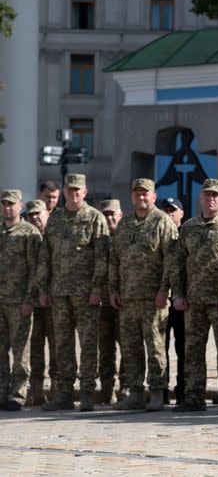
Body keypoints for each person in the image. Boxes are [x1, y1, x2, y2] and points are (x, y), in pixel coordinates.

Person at [172, 179, 218, 414]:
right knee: (192, 351)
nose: (211, 198)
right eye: (207, 195)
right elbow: (178, 264)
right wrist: (178, 294)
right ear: (200, 198)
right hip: (194, 301)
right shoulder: (189, 227)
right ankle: (193, 396)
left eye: (216, 195)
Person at [38, 174, 110, 412]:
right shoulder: (56, 218)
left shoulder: (94, 218)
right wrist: (44, 287)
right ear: (65, 192)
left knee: (88, 342)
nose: (74, 193)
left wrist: (97, 288)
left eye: (78, 190)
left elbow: (102, 258)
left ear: (85, 191)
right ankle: (64, 392)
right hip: (59, 292)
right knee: (62, 343)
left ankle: (87, 391)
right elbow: (46, 256)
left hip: (85, 293)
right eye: (70, 190)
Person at [109, 179, 178, 411]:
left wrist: (164, 291)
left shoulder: (162, 222)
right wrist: (114, 289)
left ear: (154, 196)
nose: (141, 198)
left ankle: (157, 392)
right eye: (137, 194)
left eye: (145, 194)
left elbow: (172, 260)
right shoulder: (125, 223)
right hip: (128, 298)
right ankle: (136, 392)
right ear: (132, 196)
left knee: (156, 346)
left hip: (153, 298)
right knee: (130, 347)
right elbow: (115, 259)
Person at [0, 190, 41, 411]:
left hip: (19, 302)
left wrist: (30, 299)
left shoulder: (29, 233)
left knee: (20, 351)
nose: (7, 208)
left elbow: (36, 270)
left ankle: (17, 394)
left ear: (20, 206)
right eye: (4, 204)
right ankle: (1, 391)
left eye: (11, 204)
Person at [24, 199, 55, 406]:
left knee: (58, 345)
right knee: (34, 345)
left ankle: (57, 389)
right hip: (32, 301)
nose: (34, 218)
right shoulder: (25, 237)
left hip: (55, 300)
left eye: (38, 214)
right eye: (30, 215)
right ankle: (36, 390)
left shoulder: (56, 235)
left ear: (47, 214)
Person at [97, 199, 126, 404]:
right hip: (102, 302)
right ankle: (107, 388)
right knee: (105, 347)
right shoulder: (98, 240)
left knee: (127, 346)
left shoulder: (127, 238)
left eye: (112, 214)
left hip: (124, 301)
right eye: (105, 214)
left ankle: (125, 388)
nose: (109, 218)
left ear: (120, 215)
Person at [161, 197, 185, 404]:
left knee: (183, 346)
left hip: (182, 300)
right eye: (165, 210)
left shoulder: (188, 233)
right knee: (161, 346)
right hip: (162, 299)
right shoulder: (159, 234)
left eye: (173, 210)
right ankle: (161, 390)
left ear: (181, 213)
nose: (169, 214)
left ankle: (183, 389)